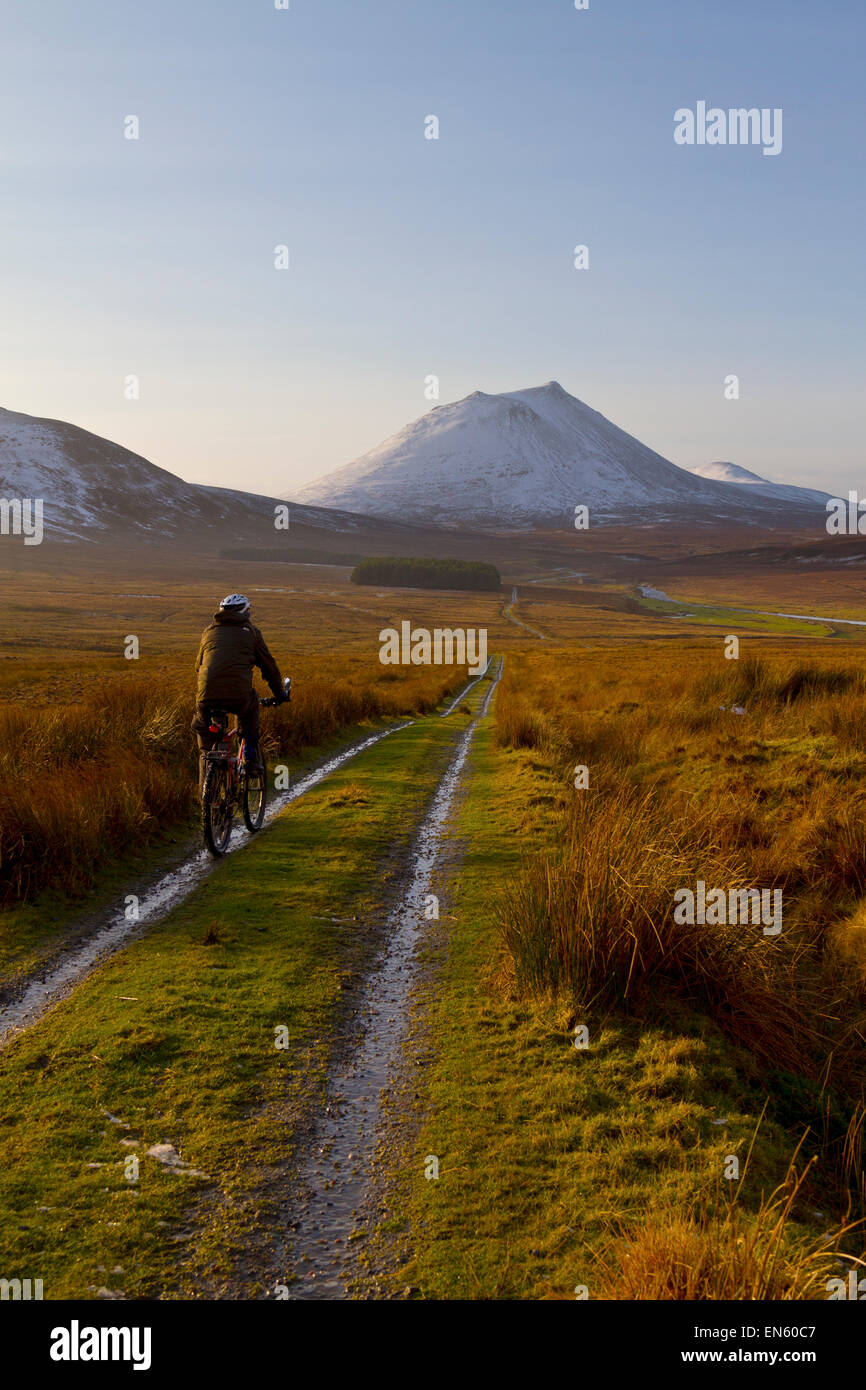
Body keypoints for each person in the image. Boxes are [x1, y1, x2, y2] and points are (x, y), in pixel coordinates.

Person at [192, 593, 287, 775]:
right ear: (245, 613)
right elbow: (269, 667)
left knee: (203, 730)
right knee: (250, 707)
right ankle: (250, 759)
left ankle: (207, 780)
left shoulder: (209, 631)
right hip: (239, 697)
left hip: (206, 696)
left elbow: (199, 666)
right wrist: (279, 694)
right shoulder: (251, 633)